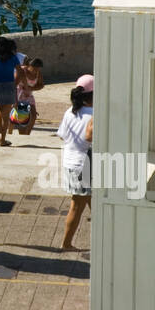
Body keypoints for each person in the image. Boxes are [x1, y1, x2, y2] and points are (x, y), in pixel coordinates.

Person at [57, 76, 93, 250]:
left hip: (70, 163)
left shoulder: (70, 111)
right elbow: (91, 138)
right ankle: (66, 244)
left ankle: (110, 240)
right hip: (85, 166)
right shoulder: (94, 114)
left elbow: (64, 135)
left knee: (93, 204)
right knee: (77, 206)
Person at [0, 36, 24, 147]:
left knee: (0, 110)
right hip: (9, 86)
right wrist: (15, 83)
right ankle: (2, 140)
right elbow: (20, 72)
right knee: (5, 115)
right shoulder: (13, 58)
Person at [11, 56, 45, 134]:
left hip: (28, 95)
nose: (36, 71)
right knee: (22, 118)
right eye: (34, 68)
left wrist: (30, 88)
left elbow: (41, 85)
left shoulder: (38, 73)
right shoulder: (22, 71)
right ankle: (22, 134)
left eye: (38, 69)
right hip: (18, 95)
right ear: (29, 66)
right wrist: (15, 101)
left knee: (33, 116)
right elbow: (13, 86)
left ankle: (27, 134)